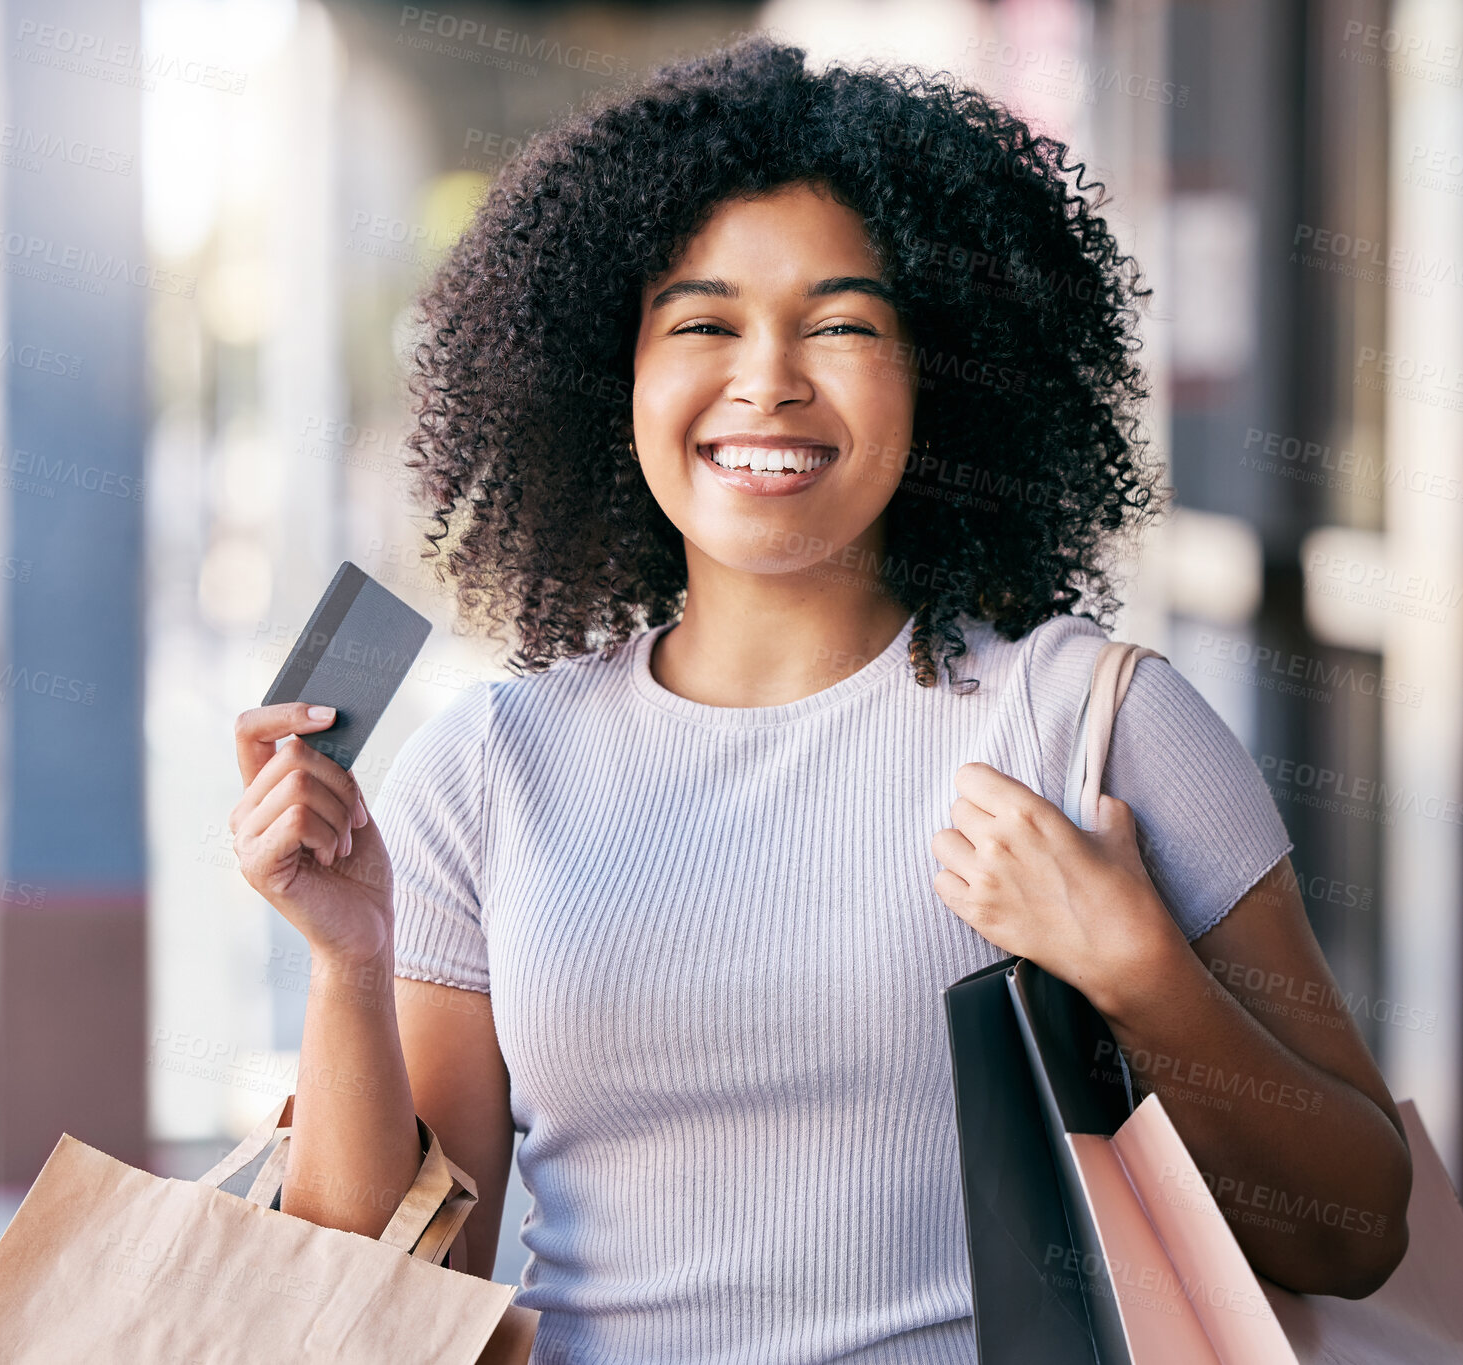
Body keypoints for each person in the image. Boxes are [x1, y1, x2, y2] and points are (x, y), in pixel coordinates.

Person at [228, 32, 1410, 1363]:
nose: (768, 377)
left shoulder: (1092, 725)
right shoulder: (490, 770)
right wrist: (347, 960)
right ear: (612, 375)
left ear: (942, 369)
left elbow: (1356, 1226)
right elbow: (380, 1306)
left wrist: (1136, 967)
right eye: (704, 321)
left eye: (842, 322)